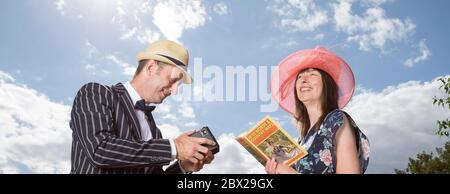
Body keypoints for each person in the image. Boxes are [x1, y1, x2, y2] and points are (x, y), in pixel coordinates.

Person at [70, 40, 215, 174]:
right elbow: (99, 149)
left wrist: (183, 167)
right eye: (173, 80)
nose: (175, 90)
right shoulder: (96, 93)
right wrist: (175, 148)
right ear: (151, 68)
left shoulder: (155, 132)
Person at [266, 47, 370, 174]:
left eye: (312, 74)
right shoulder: (300, 142)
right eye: (299, 77)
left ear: (326, 84)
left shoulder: (336, 120)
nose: (303, 80)